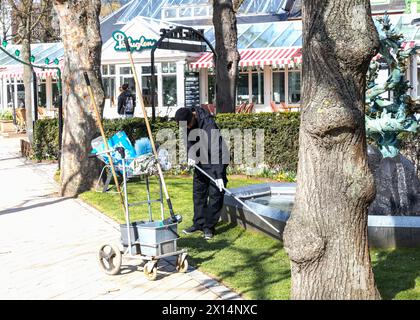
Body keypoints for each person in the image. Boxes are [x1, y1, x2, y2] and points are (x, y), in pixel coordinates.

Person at [174, 107, 229, 240]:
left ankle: (208, 227)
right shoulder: (185, 122)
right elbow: (187, 140)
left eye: (188, 124)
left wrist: (219, 175)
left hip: (217, 159)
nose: (187, 127)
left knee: (215, 193)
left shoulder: (209, 124)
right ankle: (198, 223)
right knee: (198, 193)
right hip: (200, 159)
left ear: (193, 117)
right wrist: (191, 154)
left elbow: (216, 150)